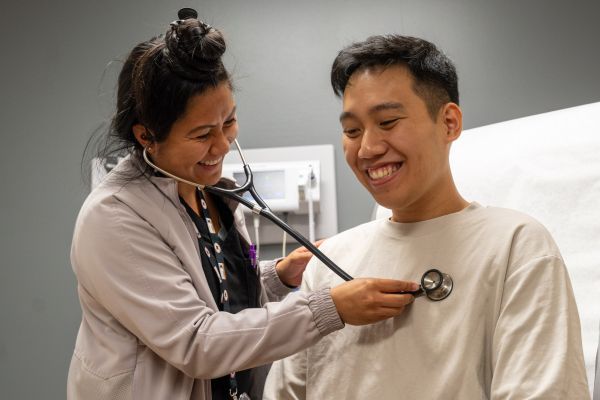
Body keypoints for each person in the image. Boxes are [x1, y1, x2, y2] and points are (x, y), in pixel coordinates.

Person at [67, 10, 420, 400]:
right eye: (202, 134)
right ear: (146, 135)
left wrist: (277, 277)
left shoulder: (205, 191)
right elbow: (197, 342)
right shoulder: (114, 218)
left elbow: (212, 290)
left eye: (229, 123)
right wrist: (327, 309)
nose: (221, 146)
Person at [264, 34, 590, 399]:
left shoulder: (515, 246)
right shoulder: (329, 264)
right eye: (352, 131)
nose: (368, 148)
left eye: (387, 122)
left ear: (449, 122)